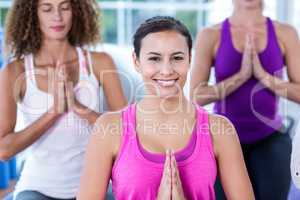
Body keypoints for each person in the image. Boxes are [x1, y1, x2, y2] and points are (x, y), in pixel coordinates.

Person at [77, 16, 254, 200]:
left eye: (177, 58)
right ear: (136, 61)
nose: (167, 70)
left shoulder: (220, 130)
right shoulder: (108, 129)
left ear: (189, 59)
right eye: (154, 58)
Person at [0, 0, 127, 199]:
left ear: (75, 10)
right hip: (37, 188)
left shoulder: (100, 62)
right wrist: (54, 112)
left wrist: (78, 107)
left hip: (94, 186)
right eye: (47, 8)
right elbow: (4, 150)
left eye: (64, 7)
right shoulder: (15, 71)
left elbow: (125, 133)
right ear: (33, 14)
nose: (57, 16)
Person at [190, 0, 300, 199]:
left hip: (269, 136)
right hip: (221, 139)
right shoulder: (210, 35)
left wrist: (263, 76)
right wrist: (240, 76)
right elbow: (196, 96)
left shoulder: (285, 33)